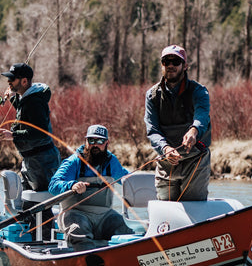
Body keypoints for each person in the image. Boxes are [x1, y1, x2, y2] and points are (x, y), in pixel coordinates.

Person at [48, 124, 133, 249]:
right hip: (75, 213)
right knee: (78, 232)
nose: (95, 145)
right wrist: (72, 185)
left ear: (107, 142)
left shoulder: (112, 162)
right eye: (91, 140)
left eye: (100, 141)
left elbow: (128, 182)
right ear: (86, 141)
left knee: (125, 231)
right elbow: (53, 185)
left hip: (104, 215)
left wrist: (142, 184)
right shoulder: (74, 161)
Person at [144, 45, 211, 201]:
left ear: (185, 66)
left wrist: (194, 130)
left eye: (176, 61)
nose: (171, 65)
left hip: (195, 160)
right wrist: (165, 148)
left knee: (194, 209)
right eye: (166, 61)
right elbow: (152, 130)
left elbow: (202, 115)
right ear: (162, 65)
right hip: (166, 161)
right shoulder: (152, 96)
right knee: (167, 212)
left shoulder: (199, 91)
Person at [0, 62, 61, 195]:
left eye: (12, 79)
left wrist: (13, 135)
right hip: (31, 161)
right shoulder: (26, 98)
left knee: (41, 204)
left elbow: (40, 132)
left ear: (24, 81)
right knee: (27, 203)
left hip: (43, 162)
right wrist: (13, 99)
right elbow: (26, 115)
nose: (8, 82)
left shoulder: (35, 102)